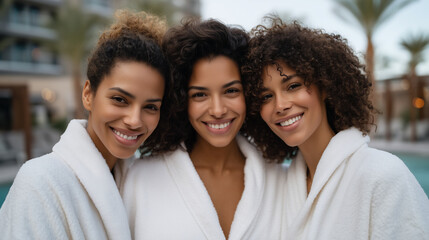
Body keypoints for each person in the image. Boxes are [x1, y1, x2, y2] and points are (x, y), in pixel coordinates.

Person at [243, 17, 429, 239]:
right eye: (266, 96)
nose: (280, 105)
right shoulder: (280, 186)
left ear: (325, 87)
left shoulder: (384, 176)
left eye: (293, 86)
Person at [0, 10, 169, 239]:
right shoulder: (39, 183)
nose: (134, 120)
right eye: (120, 100)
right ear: (88, 94)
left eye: (151, 107)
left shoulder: (141, 181)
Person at [120, 18, 287, 240]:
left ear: (249, 93)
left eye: (231, 91)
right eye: (200, 95)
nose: (218, 110)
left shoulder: (280, 179)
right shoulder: (141, 178)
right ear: (181, 100)